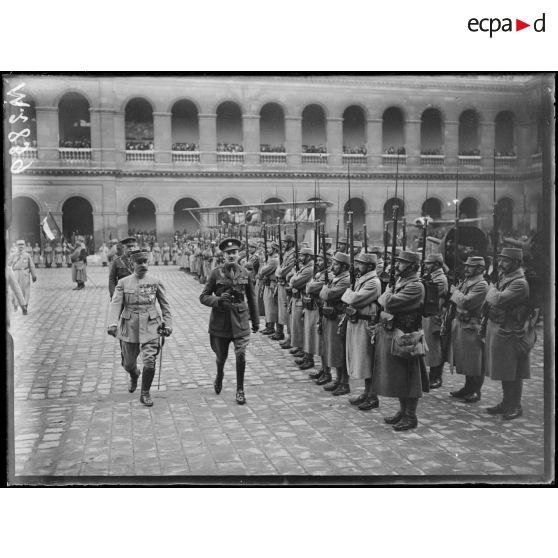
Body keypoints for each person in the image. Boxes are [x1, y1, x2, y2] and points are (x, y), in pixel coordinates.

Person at [107, 248, 172, 406]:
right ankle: (134, 374)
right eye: (139, 262)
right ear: (132, 264)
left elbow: (165, 305)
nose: (143, 265)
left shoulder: (155, 282)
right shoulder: (123, 283)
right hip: (130, 325)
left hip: (151, 324)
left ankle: (145, 393)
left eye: (145, 262)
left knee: (149, 360)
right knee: (128, 364)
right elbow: (116, 303)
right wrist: (113, 323)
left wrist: (168, 324)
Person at [200, 237, 259, 405]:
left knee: (241, 355)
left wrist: (255, 321)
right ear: (223, 255)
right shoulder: (216, 273)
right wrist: (218, 300)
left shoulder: (245, 273)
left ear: (238, 254)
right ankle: (219, 374)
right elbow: (203, 296)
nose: (232, 255)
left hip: (240, 321)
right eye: (228, 253)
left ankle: (240, 389)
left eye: (234, 252)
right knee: (221, 357)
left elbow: (252, 298)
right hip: (221, 322)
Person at [372, 251, 426, 431]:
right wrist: (387, 294)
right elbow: (384, 301)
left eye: (401, 263)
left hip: (408, 336)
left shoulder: (416, 286)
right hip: (397, 332)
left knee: (410, 376)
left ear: (412, 266)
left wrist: (387, 293)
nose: (396, 265)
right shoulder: (401, 282)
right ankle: (403, 411)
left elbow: (388, 302)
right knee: (399, 375)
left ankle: (411, 415)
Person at [483, 247, 530, 420]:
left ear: (517, 262)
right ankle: (506, 402)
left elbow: (498, 299)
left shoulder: (519, 283)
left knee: (514, 370)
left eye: (506, 260)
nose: (501, 263)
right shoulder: (507, 277)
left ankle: (515, 405)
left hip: (512, 331)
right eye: (501, 260)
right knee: (505, 368)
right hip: (503, 328)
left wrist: (491, 288)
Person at [342, 252, 381, 411]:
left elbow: (354, 299)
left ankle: (373, 396)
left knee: (368, 360)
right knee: (362, 360)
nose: (358, 266)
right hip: (358, 322)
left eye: (361, 264)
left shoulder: (373, 282)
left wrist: (349, 294)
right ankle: (366, 392)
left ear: (370, 266)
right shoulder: (363, 279)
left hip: (366, 324)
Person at [449, 256, 489, 403]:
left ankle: (476, 391)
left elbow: (465, 302)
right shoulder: (468, 281)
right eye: (466, 266)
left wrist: (455, 292)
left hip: (473, 325)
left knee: (475, 360)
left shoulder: (481, 285)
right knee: (466, 359)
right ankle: (468, 387)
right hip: (462, 323)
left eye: (470, 266)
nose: (466, 268)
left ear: (479, 269)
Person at [319, 251, 351, 396]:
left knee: (340, 351)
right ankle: (338, 380)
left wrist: (325, 288)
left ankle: (344, 383)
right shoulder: (336, 277)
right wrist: (326, 289)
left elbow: (328, 295)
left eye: (336, 264)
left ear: (344, 266)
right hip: (331, 316)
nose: (332, 267)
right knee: (333, 349)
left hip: (339, 317)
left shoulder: (345, 280)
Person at [422, 253, 449, 389]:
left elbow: (429, 295)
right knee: (430, 346)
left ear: (437, 265)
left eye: (429, 263)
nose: (426, 265)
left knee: (435, 347)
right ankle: (432, 375)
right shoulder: (432, 276)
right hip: (429, 315)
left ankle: (436, 377)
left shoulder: (440, 279)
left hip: (435, 316)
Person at [289, 247, 315, 364]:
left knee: (302, 325)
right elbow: (290, 278)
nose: (300, 258)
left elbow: (294, 282)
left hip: (303, 299)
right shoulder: (304, 267)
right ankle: (301, 349)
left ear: (308, 256)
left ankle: (305, 351)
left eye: (302, 255)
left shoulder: (309, 269)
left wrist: (294, 277)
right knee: (297, 324)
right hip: (297, 297)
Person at [273, 234, 296, 342]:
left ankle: (290, 337)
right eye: (284, 242)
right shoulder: (286, 253)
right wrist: (279, 271)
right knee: (280, 309)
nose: (284, 244)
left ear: (291, 243)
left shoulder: (293, 254)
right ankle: (280, 332)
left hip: (286, 285)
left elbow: (283, 271)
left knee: (287, 310)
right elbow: (279, 269)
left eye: (286, 242)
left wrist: (279, 271)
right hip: (280, 284)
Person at [8, 239, 37, 314]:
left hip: (24, 273)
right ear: (16, 246)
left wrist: (34, 275)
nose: (21, 246)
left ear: (24, 246)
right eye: (19, 245)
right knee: (15, 290)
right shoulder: (13, 255)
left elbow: (31, 265)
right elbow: (8, 264)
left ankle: (25, 306)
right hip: (15, 273)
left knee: (25, 290)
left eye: (22, 245)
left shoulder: (27, 255)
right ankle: (15, 304)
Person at [258, 240, 280, 336]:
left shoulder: (274, 260)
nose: (267, 250)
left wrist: (263, 266)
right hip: (268, 283)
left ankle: (271, 327)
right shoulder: (270, 259)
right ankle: (268, 326)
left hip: (272, 284)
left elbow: (262, 271)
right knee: (268, 306)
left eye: (269, 248)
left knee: (271, 307)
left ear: (274, 249)